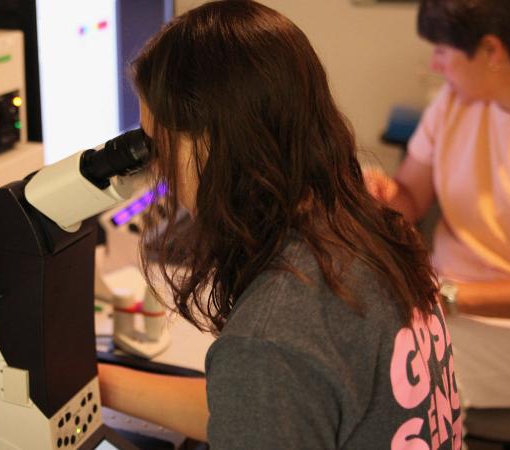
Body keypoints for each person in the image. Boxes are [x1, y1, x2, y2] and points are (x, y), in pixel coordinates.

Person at [98, 1, 462, 448]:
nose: (163, 175)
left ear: (210, 143)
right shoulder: (367, 231)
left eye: (159, 146)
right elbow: (261, 406)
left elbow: (268, 380)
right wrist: (95, 382)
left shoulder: (274, 335)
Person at [365, 0, 510, 409]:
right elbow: (410, 200)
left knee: (383, 373)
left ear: (492, 51)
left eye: (442, 50)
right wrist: (383, 194)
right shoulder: (454, 102)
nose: (435, 65)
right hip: (443, 305)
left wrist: (452, 297)